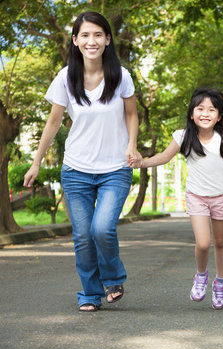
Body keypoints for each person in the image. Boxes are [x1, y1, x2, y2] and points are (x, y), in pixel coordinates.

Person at [23, 12, 142, 312]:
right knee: (83, 236)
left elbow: (131, 114)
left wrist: (132, 146)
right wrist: (36, 162)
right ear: (75, 41)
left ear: (107, 40)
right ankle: (89, 293)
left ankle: (113, 278)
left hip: (115, 168)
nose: (92, 41)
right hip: (76, 169)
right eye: (85, 35)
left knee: (102, 229)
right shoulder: (66, 77)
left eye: (98, 35)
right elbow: (53, 122)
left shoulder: (121, 75)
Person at [129, 87, 223, 310]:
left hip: (222, 196)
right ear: (192, 113)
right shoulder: (183, 136)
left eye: (212, 109)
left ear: (219, 116)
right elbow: (163, 156)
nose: (205, 113)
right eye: (200, 108)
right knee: (203, 242)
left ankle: (220, 282)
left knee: (220, 242)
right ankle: (201, 276)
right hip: (197, 196)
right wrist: (141, 163)